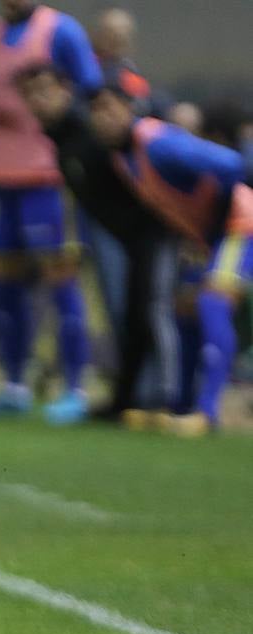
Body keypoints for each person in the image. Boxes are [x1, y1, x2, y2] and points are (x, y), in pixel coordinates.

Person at [15, 63, 178, 422]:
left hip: (146, 232)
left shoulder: (89, 131)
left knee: (147, 310)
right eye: (31, 95)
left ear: (65, 90)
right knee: (124, 312)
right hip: (117, 234)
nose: (38, 101)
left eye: (46, 90)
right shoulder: (62, 136)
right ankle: (131, 397)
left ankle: (164, 396)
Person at [90, 85, 253, 436]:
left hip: (242, 222)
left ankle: (208, 413)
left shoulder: (159, 143)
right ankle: (180, 405)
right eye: (95, 111)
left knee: (212, 303)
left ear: (130, 107)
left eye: (109, 107)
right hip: (212, 235)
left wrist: (220, 215)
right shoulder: (124, 156)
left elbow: (233, 164)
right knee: (185, 310)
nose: (102, 118)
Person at [0, 0, 102, 425]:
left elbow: (92, 94)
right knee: (7, 286)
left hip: (49, 175)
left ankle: (76, 389)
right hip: (1, 174)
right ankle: (14, 387)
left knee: (62, 282)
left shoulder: (61, 31)